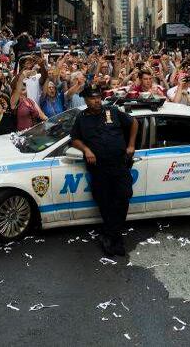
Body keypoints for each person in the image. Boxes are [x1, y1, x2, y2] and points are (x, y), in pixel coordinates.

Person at [70, 84, 138, 257]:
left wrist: (131, 145)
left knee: (124, 196)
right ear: (86, 100)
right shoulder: (82, 118)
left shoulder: (112, 111)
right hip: (99, 167)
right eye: (93, 98)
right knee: (104, 201)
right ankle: (115, 240)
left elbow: (134, 123)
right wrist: (86, 150)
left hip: (119, 164)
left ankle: (110, 235)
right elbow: (74, 139)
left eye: (98, 97)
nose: (97, 101)